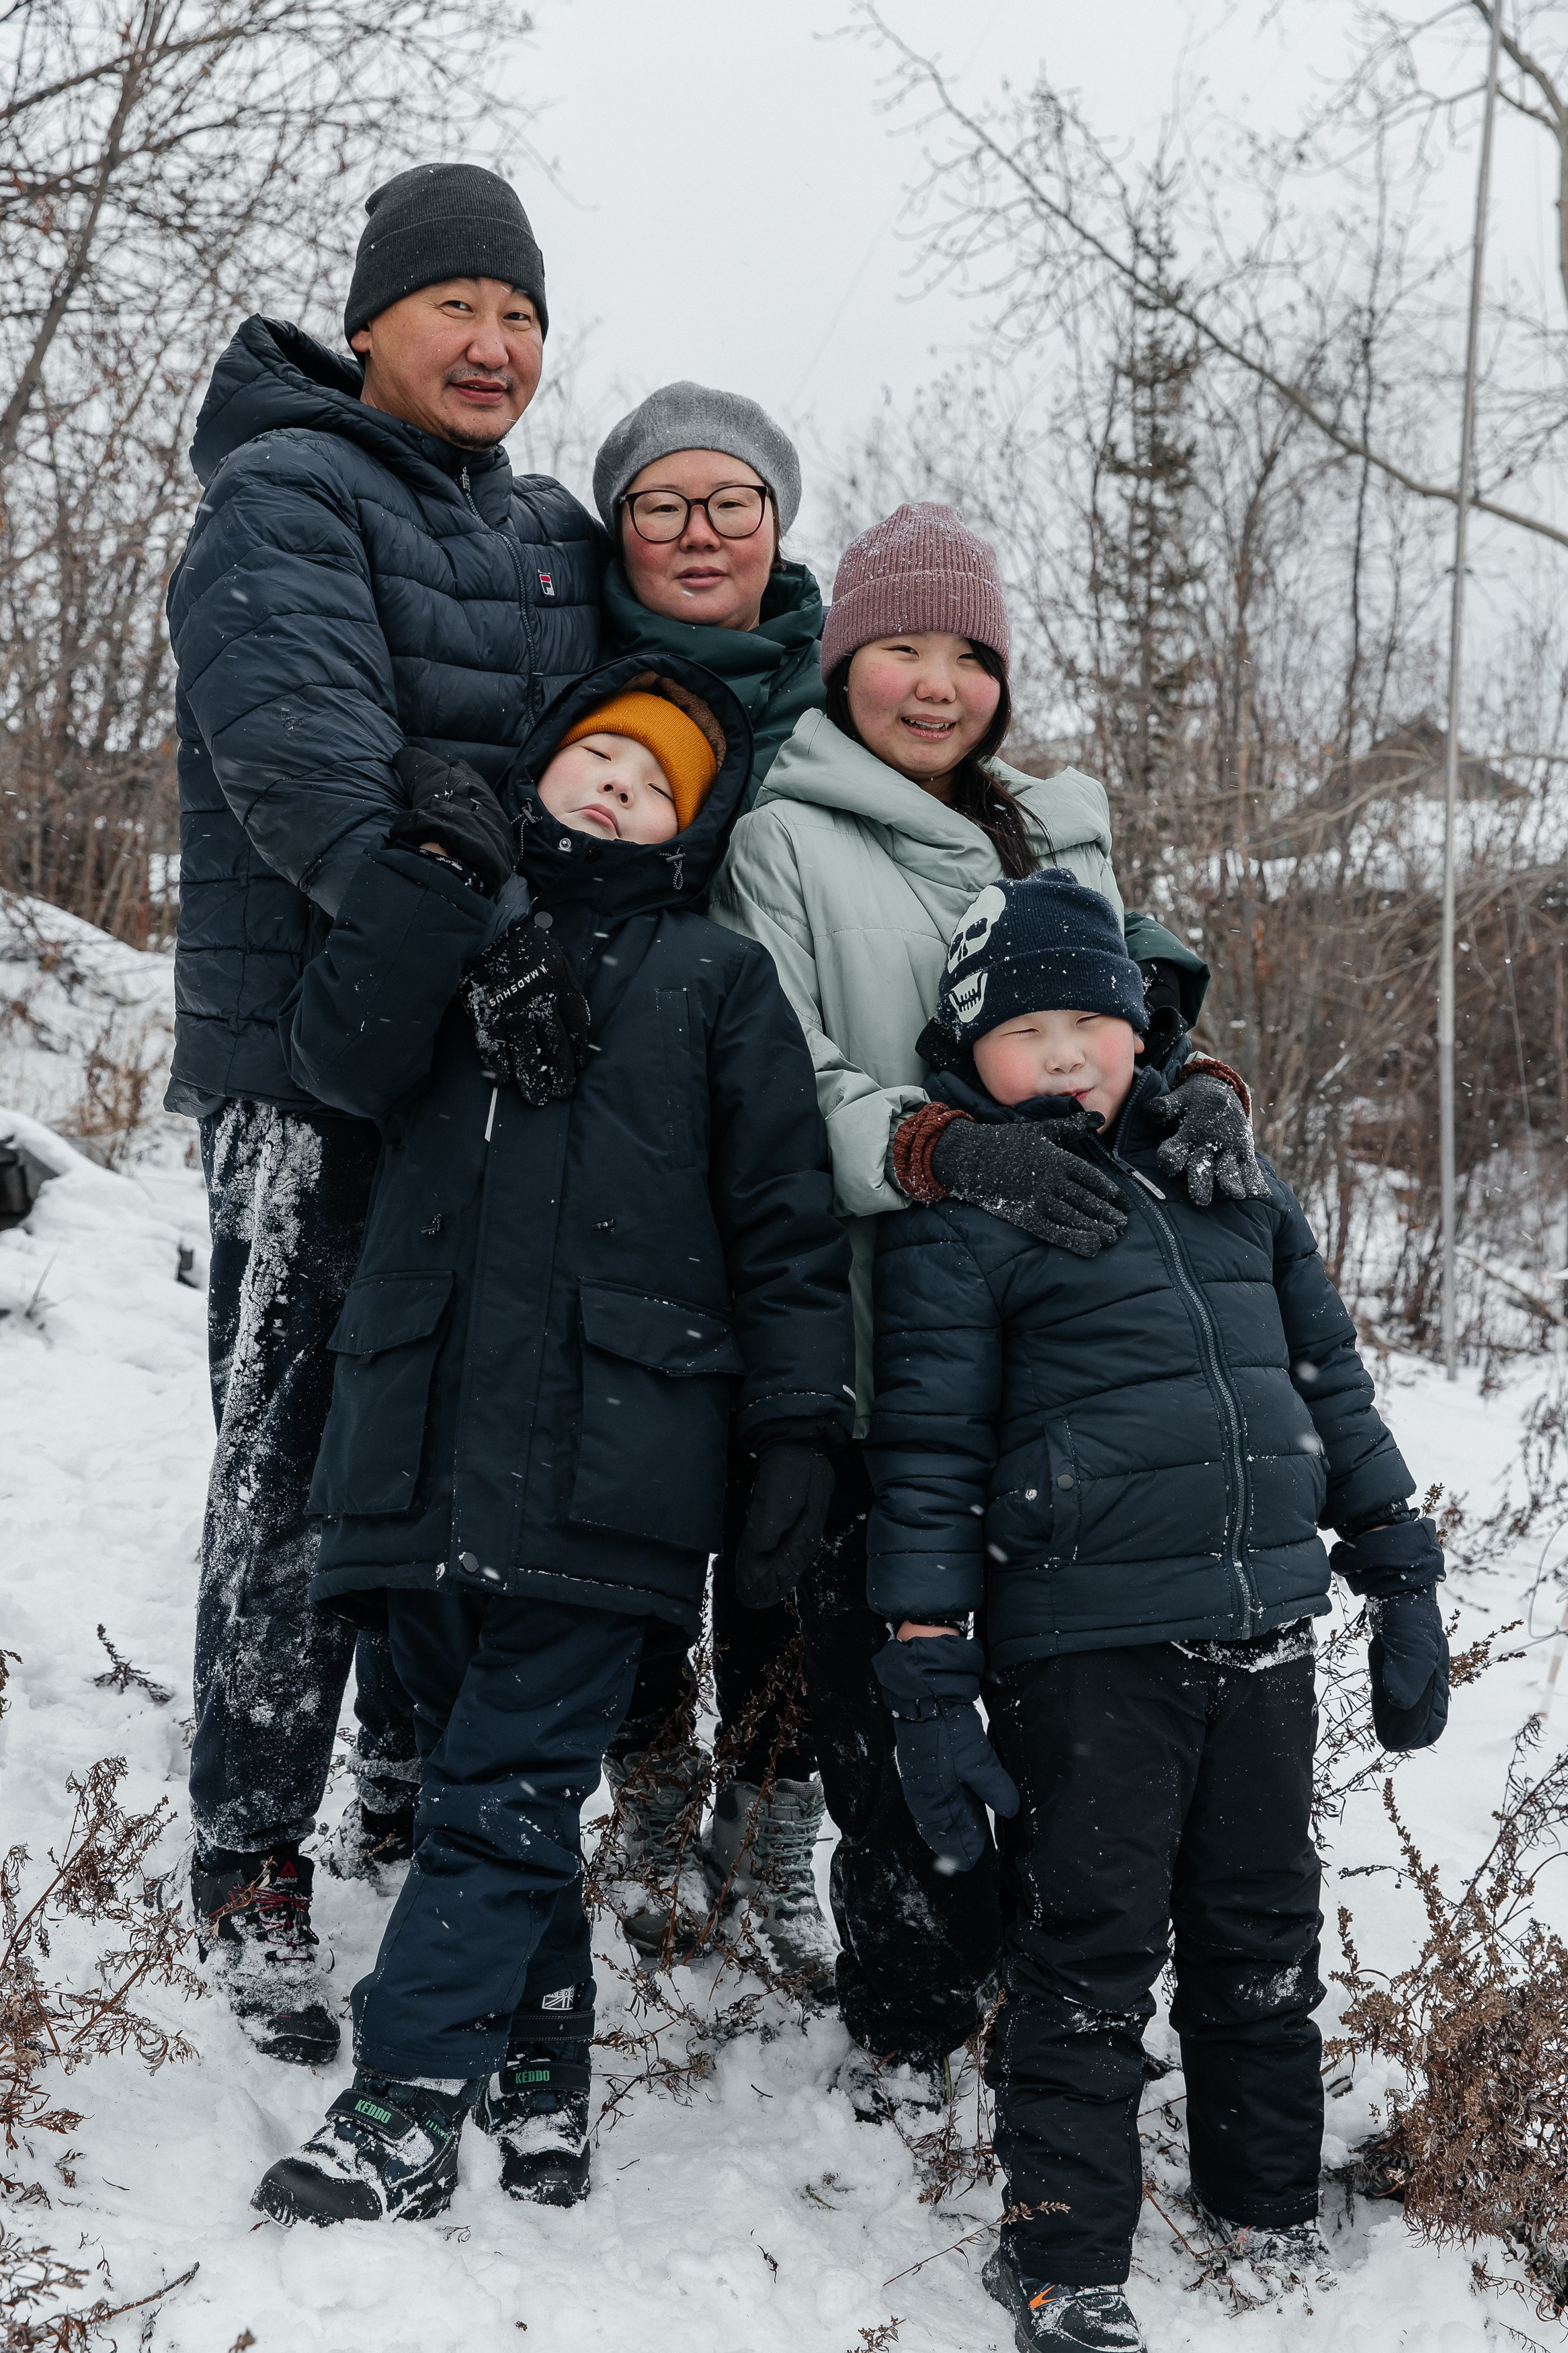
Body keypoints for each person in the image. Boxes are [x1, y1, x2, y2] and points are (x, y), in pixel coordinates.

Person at [249, 654, 854, 2227]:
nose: (615, 787)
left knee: (507, 1790)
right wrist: (434, 883)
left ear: (687, 827)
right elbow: (336, 1057)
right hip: (423, 1435)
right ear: (540, 771)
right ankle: (545, 2059)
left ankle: (403, 2099)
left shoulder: (717, 984)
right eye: (596, 756)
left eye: (652, 781)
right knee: (474, 1778)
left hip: (614, 1463)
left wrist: (797, 1423)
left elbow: (785, 1230)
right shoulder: (452, 931)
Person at [708, 501, 1259, 2122]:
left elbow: (1124, 1026)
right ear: (843, 664)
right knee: (895, 1712)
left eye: (967, 655)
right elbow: (773, 1088)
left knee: (1061, 1703)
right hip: (890, 1350)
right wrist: (946, 1146)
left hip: (1072, 1361)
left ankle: (1056, 1991)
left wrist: (1203, 1087)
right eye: (898, 651)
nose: (934, 684)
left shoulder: (1052, 834)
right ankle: (903, 2024)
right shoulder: (784, 837)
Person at [866, 869, 1450, 2352]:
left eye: (1092, 1019)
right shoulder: (962, 1219)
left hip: (1262, 1628)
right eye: (1026, 1027)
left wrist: (1399, 1560)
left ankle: (1267, 2204)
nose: (1064, 1051)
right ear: (968, 1053)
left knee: (1264, 1937)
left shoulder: (1231, 1177)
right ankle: (1065, 2254)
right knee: (1093, 1952)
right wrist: (929, 1666)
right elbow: (926, 1457)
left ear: (1145, 1028)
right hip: (1087, 1643)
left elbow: (1328, 1383)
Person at [163, 161, 604, 2064]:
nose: (494, 343)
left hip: (480, 1070)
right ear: (368, 323)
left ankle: (408, 1788)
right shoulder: (280, 495)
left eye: (518, 312)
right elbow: (310, 765)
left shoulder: (547, 531)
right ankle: (252, 1840)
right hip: (304, 1061)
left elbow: (614, 742)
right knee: (294, 1448)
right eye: (456, 308)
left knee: (440, 1448)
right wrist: (486, 914)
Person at [589, 385, 833, 1979]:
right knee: (615, 1504)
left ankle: (774, 1803)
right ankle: (653, 1792)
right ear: (618, 527)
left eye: (730, 501)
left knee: (801, 1503)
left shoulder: (850, 704)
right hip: (615, 1160)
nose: (698, 532)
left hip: (814, 1162)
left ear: (776, 525)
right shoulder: (565, 685)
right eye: (663, 502)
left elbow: (1007, 872)